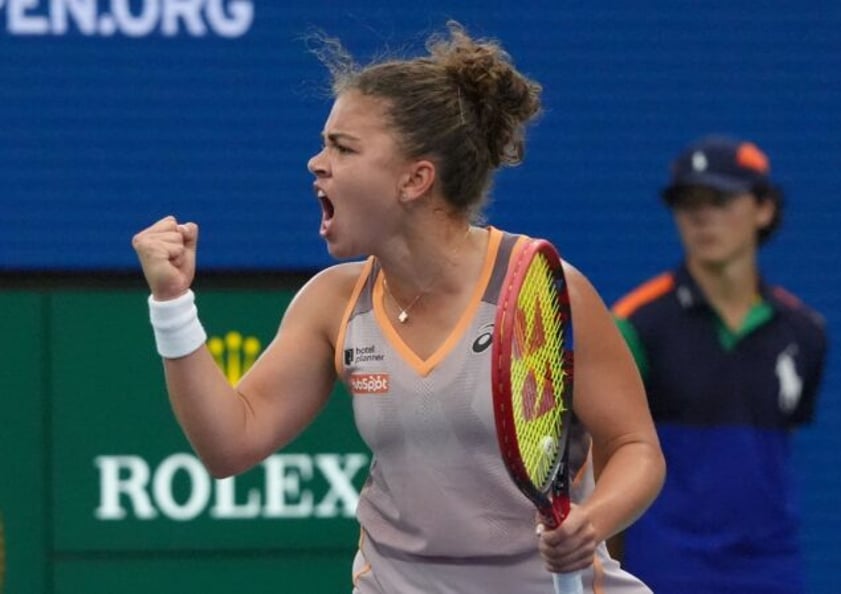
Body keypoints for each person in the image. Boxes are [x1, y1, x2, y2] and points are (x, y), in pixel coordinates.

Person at [132, 21, 665, 594]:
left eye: (342, 146)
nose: (317, 163)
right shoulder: (332, 302)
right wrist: (172, 303)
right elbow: (228, 444)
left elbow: (636, 448)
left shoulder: (538, 286)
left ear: (415, 179)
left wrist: (591, 523)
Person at [611, 135, 828, 594]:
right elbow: (607, 460)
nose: (702, 216)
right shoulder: (635, 326)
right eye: (688, 203)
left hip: (772, 570)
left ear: (764, 209)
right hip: (664, 569)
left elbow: (771, 458)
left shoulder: (806, 333)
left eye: (721, 199)